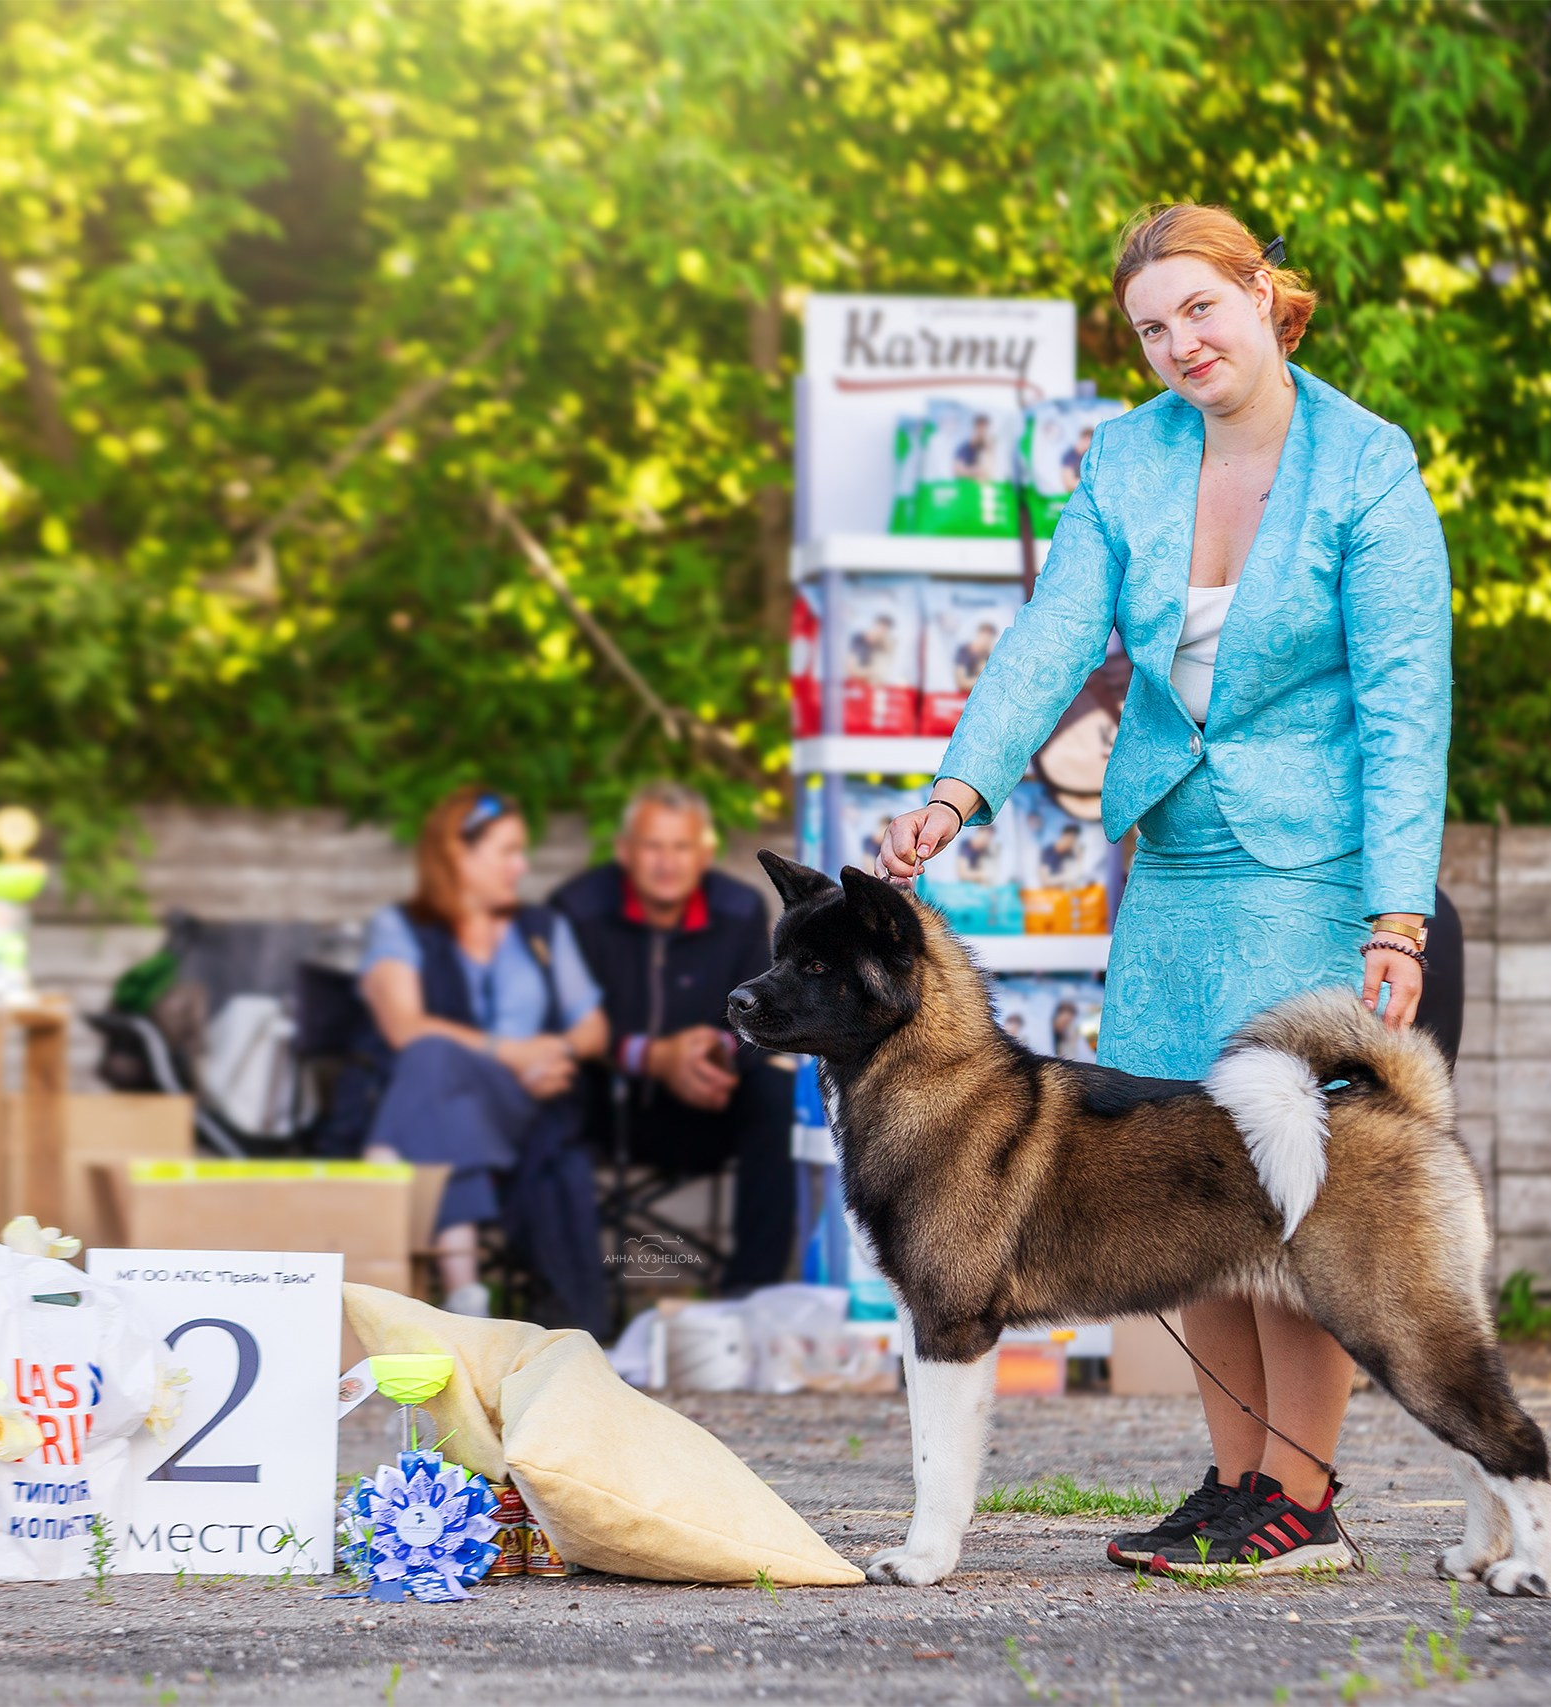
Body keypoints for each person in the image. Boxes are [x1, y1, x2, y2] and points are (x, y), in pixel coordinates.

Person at [880, 204, 1453, 1579]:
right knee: (1175, 1185)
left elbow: (1405, 704)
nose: (1180, 343)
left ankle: (1301, 1502)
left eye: (1200, 308)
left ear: (1263, 293)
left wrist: (1397, 913)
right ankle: (1236, 1479)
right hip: (1176, 865)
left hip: (1314, 871)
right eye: (1151, 328)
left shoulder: (1368, 465)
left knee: (1289, 1190)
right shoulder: (1128, 456)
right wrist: (956, 793)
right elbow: (1048, 639)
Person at [358, 786, 610, 1328]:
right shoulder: (400, 927)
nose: (522, 867)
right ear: (457, 852)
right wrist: (511, 1052)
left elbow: (593, 1027)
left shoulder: (542, 930)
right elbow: (403, 1027)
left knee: (433, 1073)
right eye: (508, 851)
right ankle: (466, 1297)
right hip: (446, 1101)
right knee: (435, 1067)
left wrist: (553, 1055)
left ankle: (382, 1174)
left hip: (526, 1104)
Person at [552, 782, 796, 1293]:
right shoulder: (576, 910)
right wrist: (652, 1057)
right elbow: (555, 1023)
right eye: (652, 846)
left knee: (777, 1093)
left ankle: (749, 1293)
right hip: (605, 1110)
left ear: (705, 853)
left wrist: (713, 1053)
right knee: (551, 1090)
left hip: (709, 1105)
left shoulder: (739, 909)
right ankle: (566, 1298)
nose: (667, 863)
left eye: (681, 847)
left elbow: (762, 1011)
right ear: (624, 851)